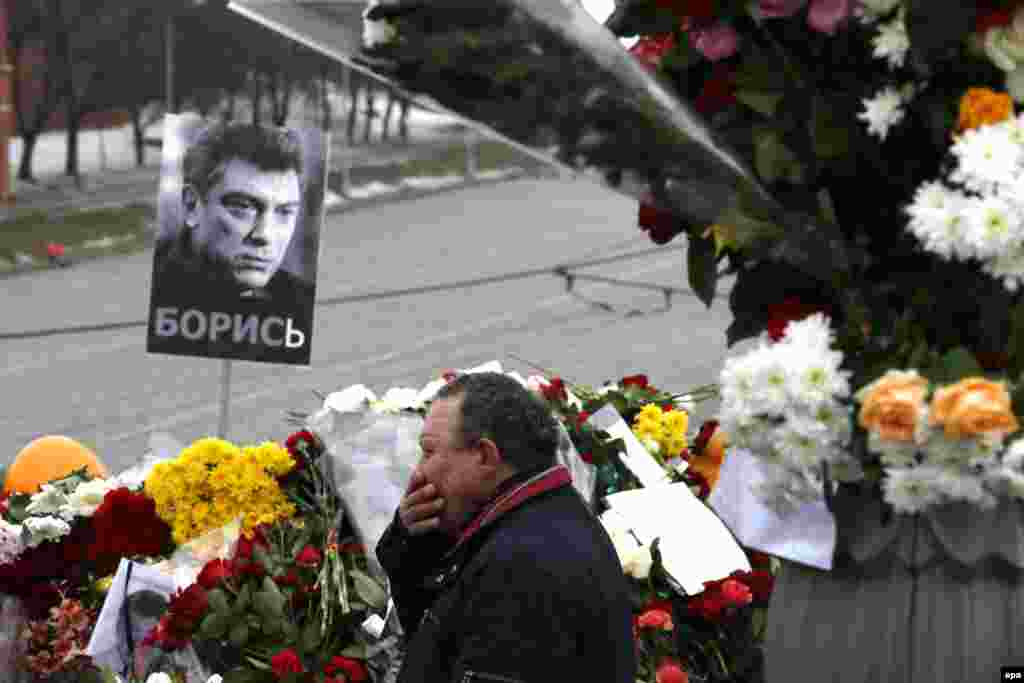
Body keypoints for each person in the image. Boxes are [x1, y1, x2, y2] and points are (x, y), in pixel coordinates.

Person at [376, 372, 636, 683]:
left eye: (429, 451)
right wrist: (413, 545)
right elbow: (434, 638)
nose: (419, 471)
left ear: (485, 456)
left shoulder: (525, 562)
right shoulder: (536, 518)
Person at [147, 122, 315, 363]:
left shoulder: (300, 304)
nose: (264, 235)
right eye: (243, 207)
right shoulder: (156, 295)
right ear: (192, 205)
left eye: (284, 212)